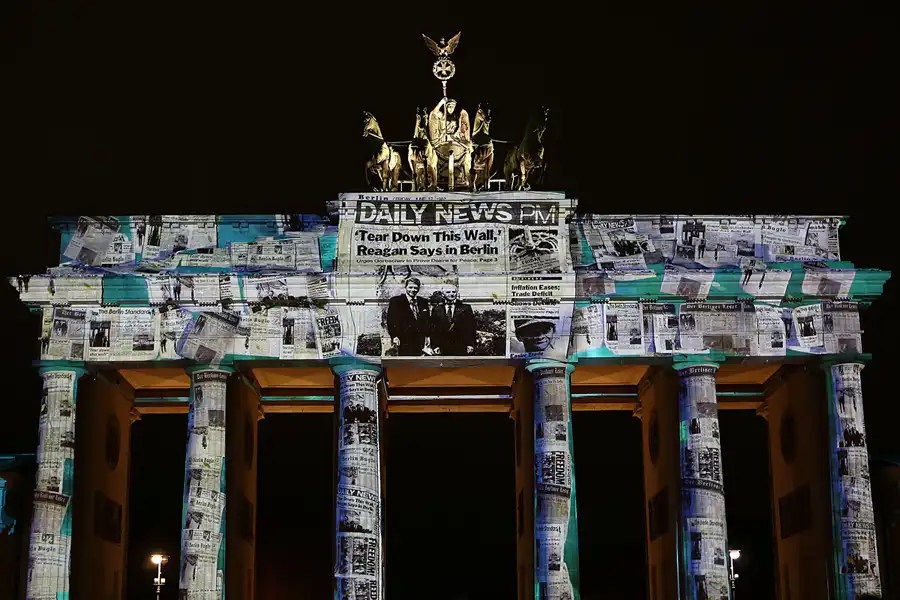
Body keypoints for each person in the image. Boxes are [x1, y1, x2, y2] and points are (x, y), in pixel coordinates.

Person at [386, 277, 430, 356]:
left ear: (419, 289)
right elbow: (391, 320)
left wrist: (427, 337)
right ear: (405, 287)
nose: (413, 290)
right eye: (410, 287)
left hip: (420, 342)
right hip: (403, 341)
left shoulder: (423, 302)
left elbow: (427, 321)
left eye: (415, 288)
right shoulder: (396, 301)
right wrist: (394, 336)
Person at [430, 284, 475, 355]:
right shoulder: (436, 310)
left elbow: (471, 328)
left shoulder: (466, 308)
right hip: (443, 348)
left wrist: (470, 344)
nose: (451, 294)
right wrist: (435, 346)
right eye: (448, 292)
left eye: (453, 292)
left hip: (461, 347)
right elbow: (434, 330)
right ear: (443, 294)